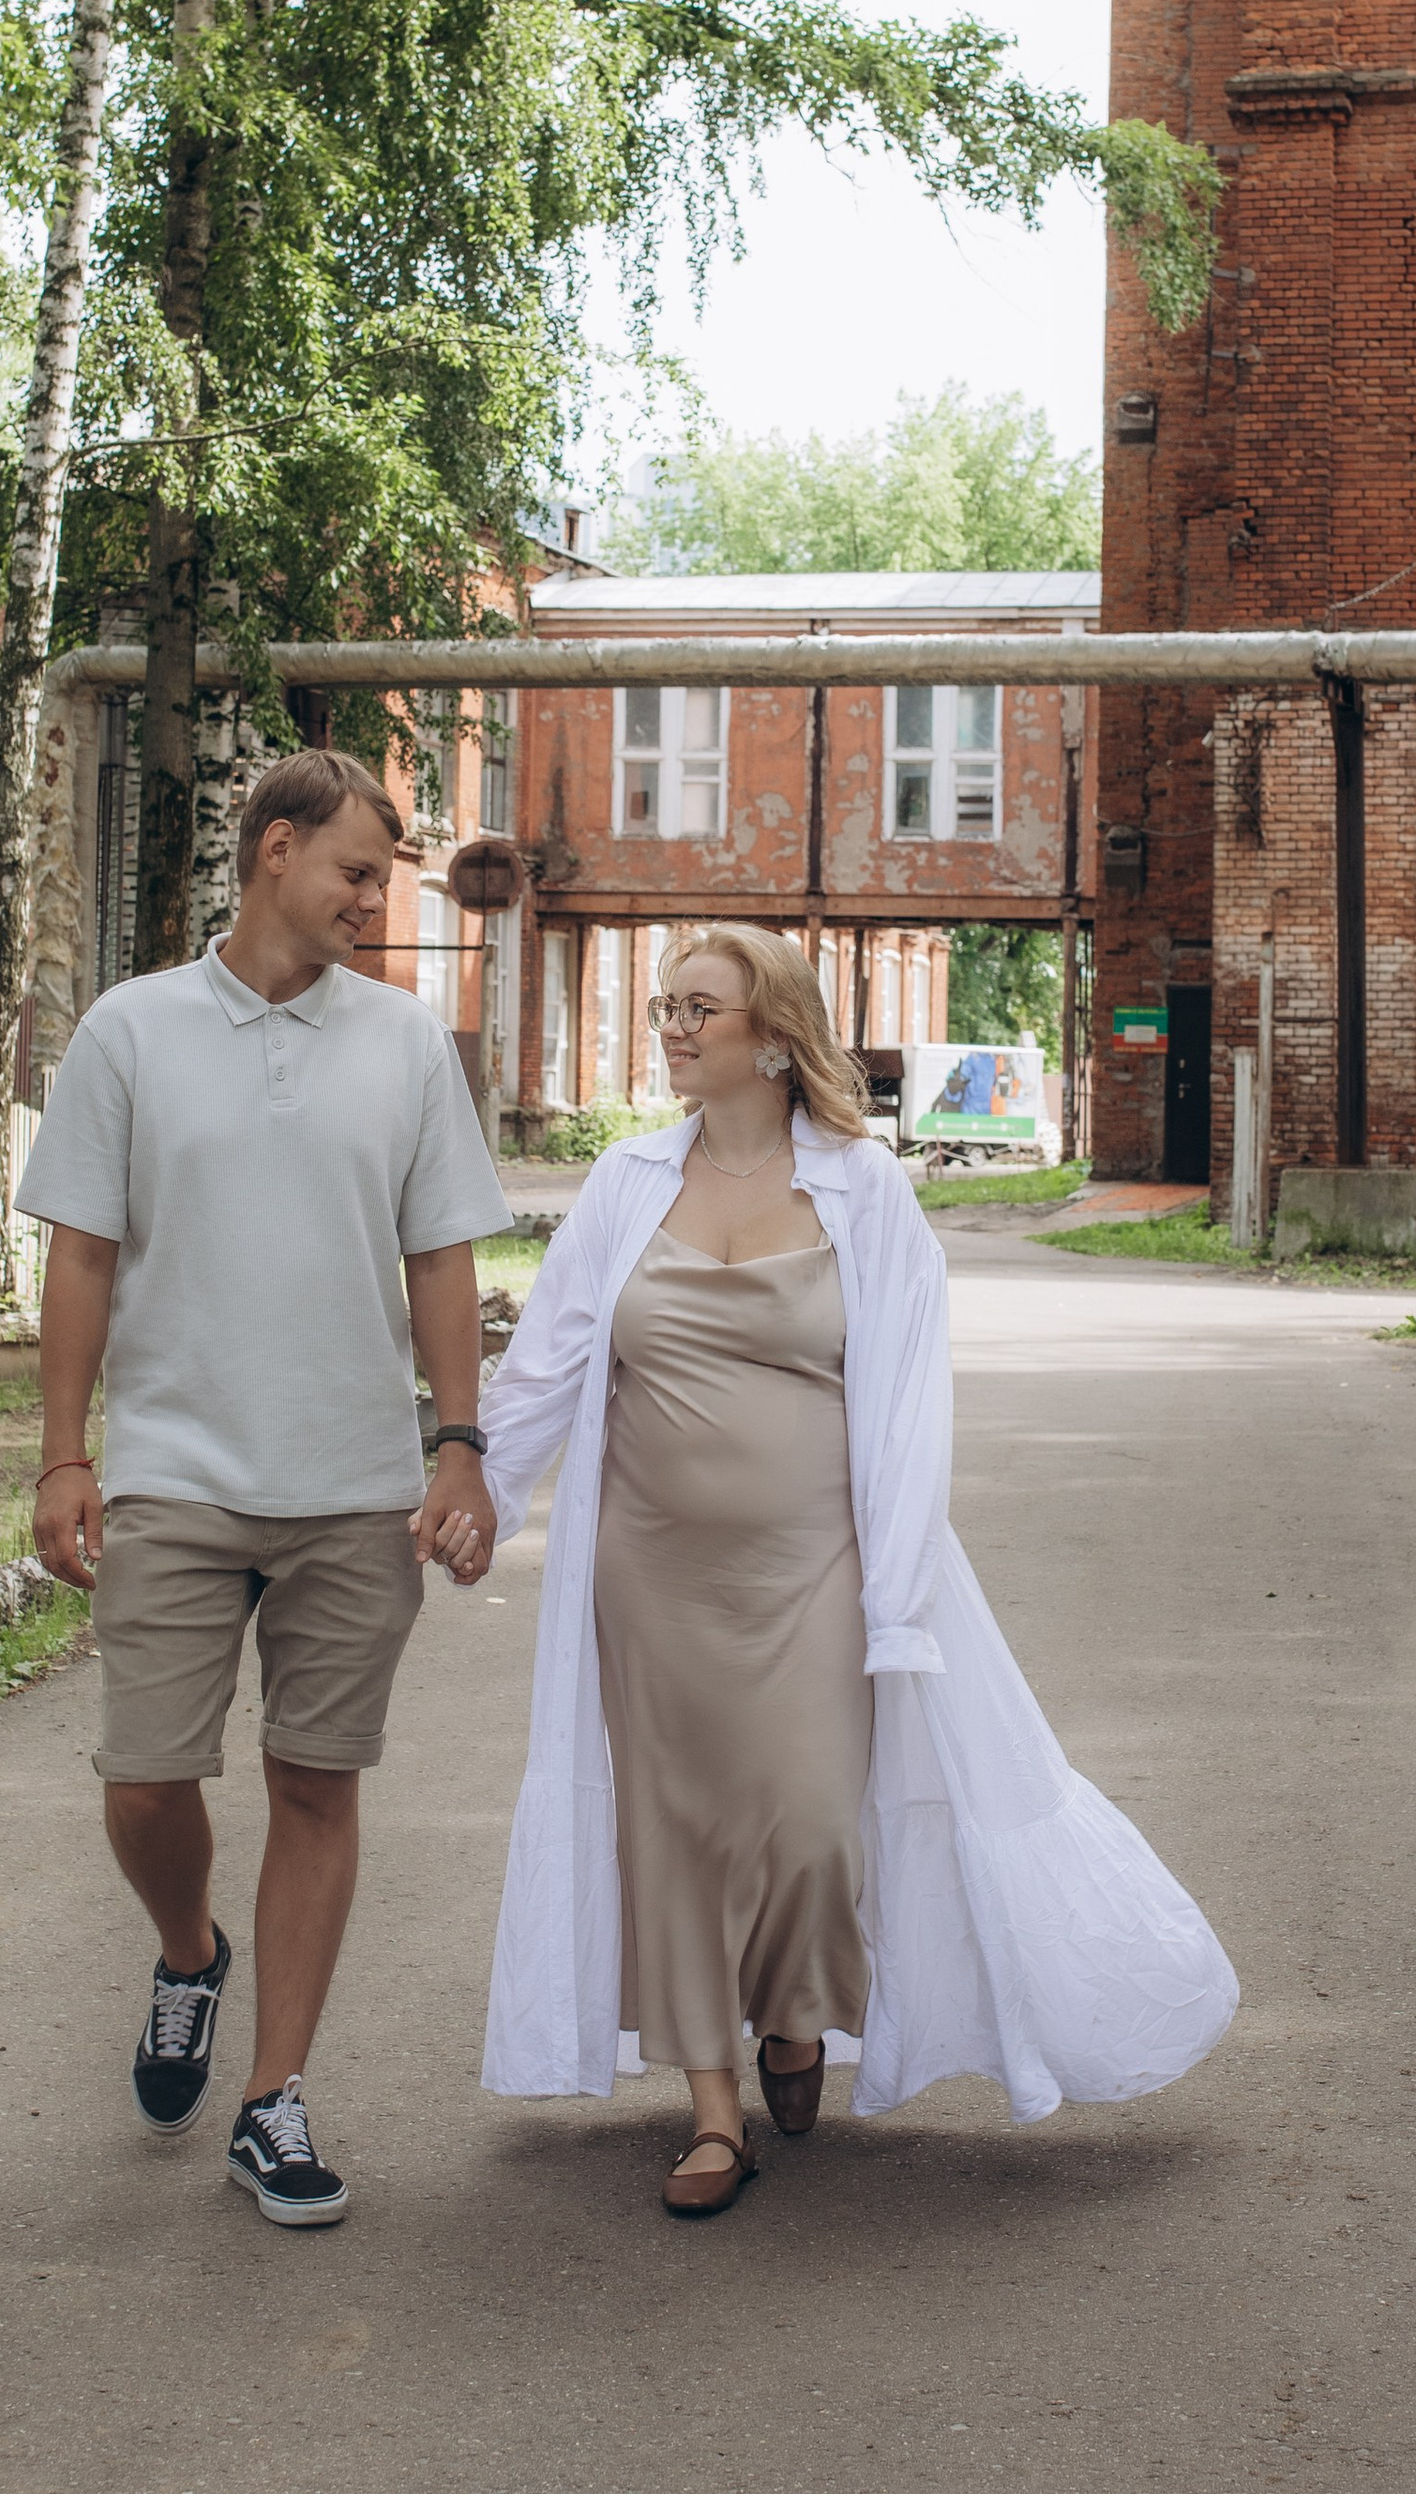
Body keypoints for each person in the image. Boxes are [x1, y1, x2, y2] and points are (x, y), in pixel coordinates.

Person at [478, 922, 1238, 2217]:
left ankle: (793, 2011)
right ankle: (712, 2110)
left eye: (696, 1008)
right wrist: (472, 1494)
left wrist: (895, 1596)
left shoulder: (861, 1187)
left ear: (772, 1035)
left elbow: (901, 1403)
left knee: (815, 1826)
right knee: (673, 1834)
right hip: (649, 1573)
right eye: (663, 1006)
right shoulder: (623, 1183)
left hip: (814, 1562)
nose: (671, 1026)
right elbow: (546, 1359)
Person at [22, 748, 508, 2228]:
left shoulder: (409, 1046)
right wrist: (62, 1450)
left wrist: (459, 1442)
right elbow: (82, 1254)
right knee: (145, 1773)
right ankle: (188, 1953)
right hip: (176, 1467)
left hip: (356, 1483)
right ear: (277, 850)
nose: (379, 897)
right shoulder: (131, 1030)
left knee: (315, 1778)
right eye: (361, 870)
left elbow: (443, 1260)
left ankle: (272, 2097)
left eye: (388, 872)